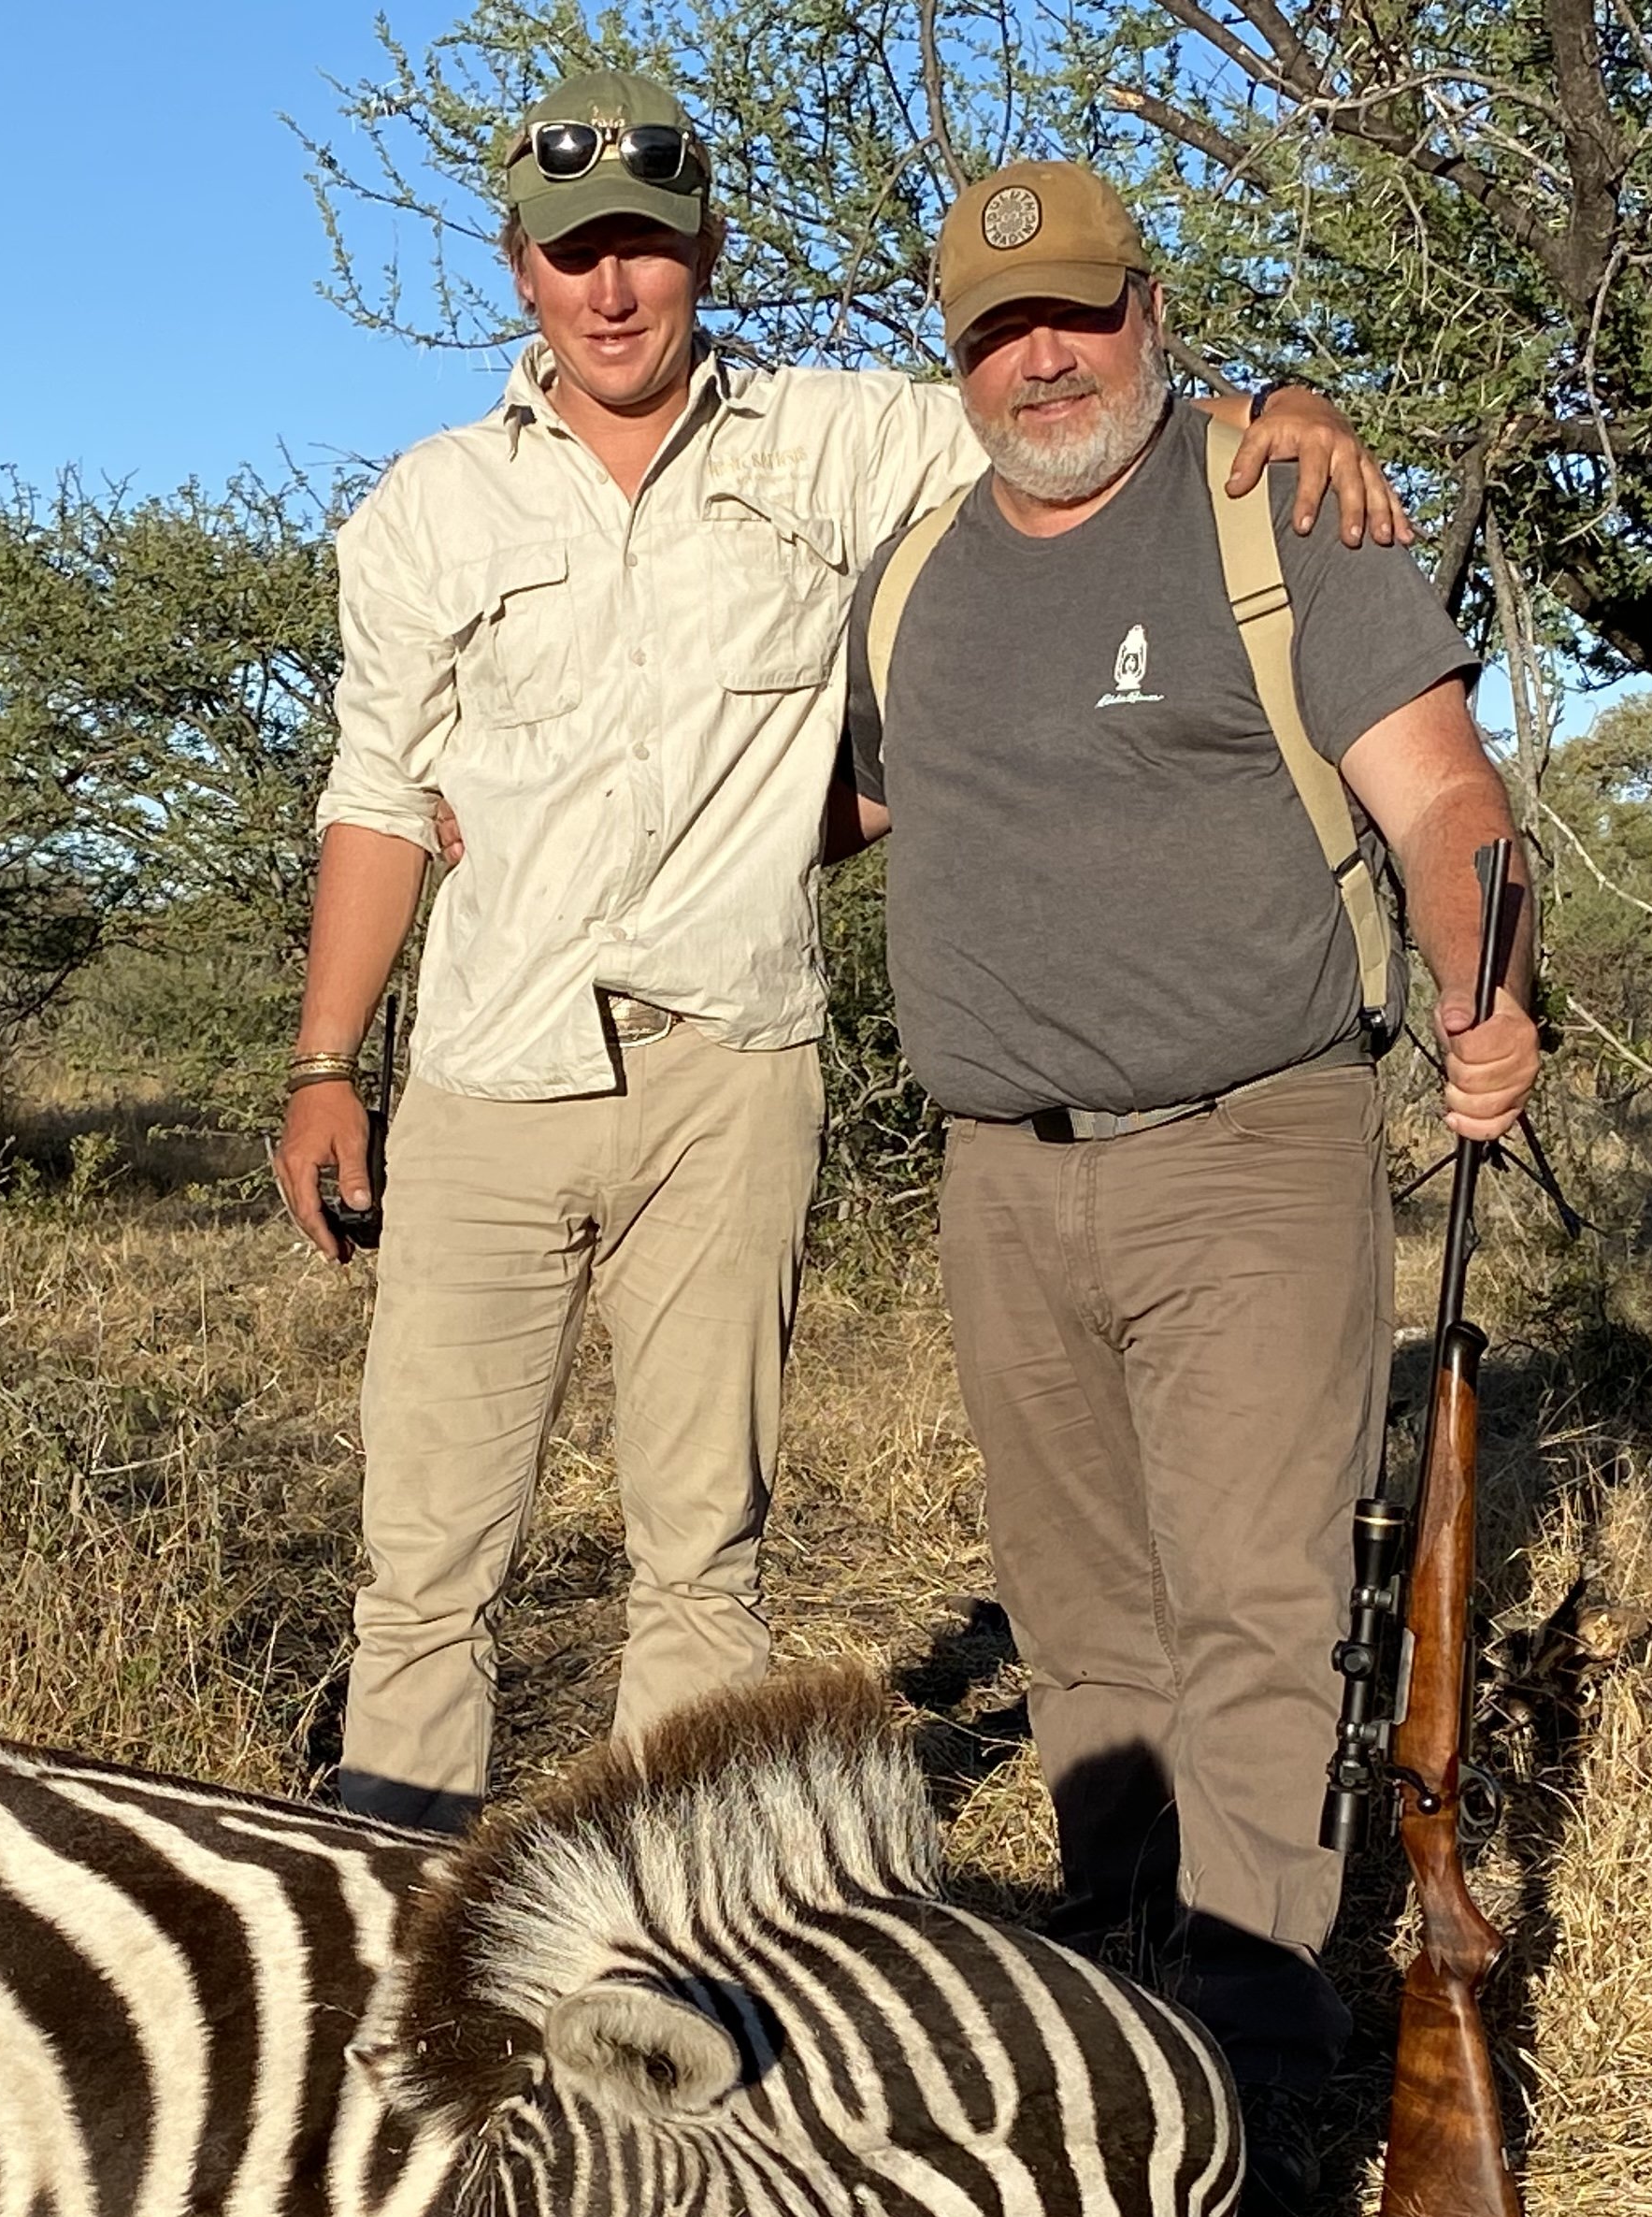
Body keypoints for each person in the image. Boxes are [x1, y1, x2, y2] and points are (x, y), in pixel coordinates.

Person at [278, 70, 1409, 1835]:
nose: (614, 289)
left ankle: (664, 1956)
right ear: (520, 272)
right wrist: (327, 1061)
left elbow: (1078, 397)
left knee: (703, 1558)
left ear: (707, 255)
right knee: (426, 1562)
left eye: (647, 249)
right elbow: (374, 787)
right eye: (575, 256)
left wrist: (1290, 399)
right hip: (491, 1071)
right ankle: (371, 1950)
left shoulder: (845, 439)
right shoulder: (426, 508)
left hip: (734, 1066)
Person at [837, 160, 1541, 2106]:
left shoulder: (1281, 511)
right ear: (955, 361)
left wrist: (1486, 985)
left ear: (1151, 311)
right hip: (1001, 1172)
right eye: (999, 334)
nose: (1042, 360)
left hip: (1252, 1144)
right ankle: (1120, 2009)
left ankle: (1259, 2050)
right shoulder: (910, 583)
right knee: (1078, 1622)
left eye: (1074, 313)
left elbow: (1445, 800)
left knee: (1255, 1599)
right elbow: (827, 812)